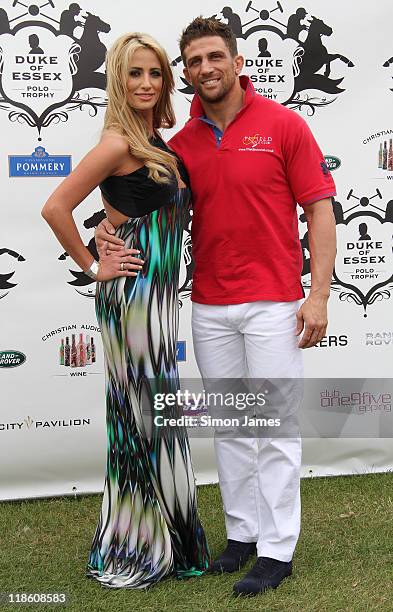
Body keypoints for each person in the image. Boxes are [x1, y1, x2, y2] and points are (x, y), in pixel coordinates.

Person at [96, 17, 337, 596]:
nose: (204, 69)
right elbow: (141, 203)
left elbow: (320, 211)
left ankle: (277, 550)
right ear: (188, 72)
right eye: (193, 61)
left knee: (274, 427)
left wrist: (319, 295)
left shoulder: (284, 125)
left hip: (275, 303)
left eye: (214, 57)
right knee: (232, 426)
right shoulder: (179, 147)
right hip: (207, 304)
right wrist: (105, 241)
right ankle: (243, 535)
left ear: (236, 62)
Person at [41, 32, 210, 589]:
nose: (146, 83)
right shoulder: (117, 142)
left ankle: (170, 537)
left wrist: (108, 226)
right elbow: (55, 205)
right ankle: (143, 543)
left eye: (155, 74)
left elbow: (131, 210)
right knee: (144, 415)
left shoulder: (155, 139)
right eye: (135, 74)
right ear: (118, 79)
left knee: (153, 414)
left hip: (159, 299)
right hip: (133, 299)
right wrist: (94, 264)